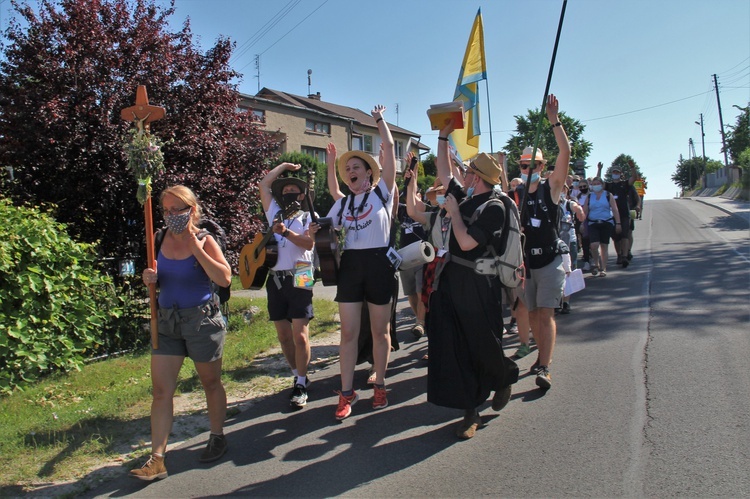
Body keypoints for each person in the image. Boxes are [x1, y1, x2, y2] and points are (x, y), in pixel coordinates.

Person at [131, 185, 232, 481]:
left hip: (201, 322)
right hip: (167, 323)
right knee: (162, 392)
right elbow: (157, 276)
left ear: (192, 209)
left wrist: (196, 248)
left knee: (211, 383)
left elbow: (224, 279)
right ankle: (157, 459)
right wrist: (148, 277)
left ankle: (217, 435)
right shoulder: (158, 238)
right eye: (167, 210)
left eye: (178, 209)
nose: (172, 215)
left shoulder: (205, 239)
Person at [426, 119, 519, 440]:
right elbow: (442, 169)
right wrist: (441, 135)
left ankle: (504, 376)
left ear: (477, 178)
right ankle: (470, 410)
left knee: (481, 343)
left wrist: (453, 214)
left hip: (480, 284)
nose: (461, 174)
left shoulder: (495, 206)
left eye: (467, 171)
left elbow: (467, 243)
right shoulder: (463, 197)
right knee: (454, 346)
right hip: (451, 280)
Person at [316, 105, 397, 420]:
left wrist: (379, 120)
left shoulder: (382, 194)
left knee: (380, 331)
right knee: (348, 333)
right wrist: (316, 230)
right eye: (346, 167)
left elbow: (389, 149)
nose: (349, 170)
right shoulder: (342, 204)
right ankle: (346, 393)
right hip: (351, 266)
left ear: (368, 173)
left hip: (379, 264)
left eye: (355, 166)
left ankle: (380, 385)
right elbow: (325, 229)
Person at [513, 94, 571, 390]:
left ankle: (545, 366)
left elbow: (566, 152)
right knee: (533, 314)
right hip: (527, 264)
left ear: (542, 166)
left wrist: (553, 121)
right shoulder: (517, 195)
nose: (529, 170)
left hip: (549, 260)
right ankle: (539, 354)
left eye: (534, 165)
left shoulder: (552, 187)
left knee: (545, 313)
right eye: (524, 166)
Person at [258, 162, 317, 409]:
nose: (288, 193)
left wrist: (286, 233)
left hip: (302, 272)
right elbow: (264, 184)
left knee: (299, 335)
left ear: (302, 195)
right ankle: (297, 374)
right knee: (283, 335)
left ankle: (302, 383)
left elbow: (309, 244)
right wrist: (282, 166)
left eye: (293, 190)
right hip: (276, 276)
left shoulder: (308, 216)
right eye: (285, 190)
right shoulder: (273, 212)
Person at [396, 152, 428, 338]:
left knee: (420, 289)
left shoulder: (422, 208)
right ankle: (421, 321)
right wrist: (406, 177)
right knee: (411, 293)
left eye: (414, 193)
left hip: (421, 255)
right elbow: (398, 198)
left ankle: (420, 322)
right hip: (405, 255)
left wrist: (413, 171)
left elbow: (414, 199)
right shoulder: (402, 211)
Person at [597, 161, 637, 267]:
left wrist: (632, 167)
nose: (615, 174)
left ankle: (624, 256)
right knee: (616, 237)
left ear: (620, 174)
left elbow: (634, 178)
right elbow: (598, 182)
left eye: (617, 172)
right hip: (611, 215)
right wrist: (599, 170)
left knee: (625, 235)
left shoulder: (625, 184)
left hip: (624, 214)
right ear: (611, 173)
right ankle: (619, 254)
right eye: (614, 172)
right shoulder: (609, 186)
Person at [583, 176, 621, 277]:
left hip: (606, 222)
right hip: (593, 223)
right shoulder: (589, 196)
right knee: (594, 245)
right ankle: (596, 264)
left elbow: (614, 209)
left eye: (598, 184)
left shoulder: (608, 195)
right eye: (594, 184)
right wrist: (582, 223)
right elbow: (585, 210)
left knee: (604, 246)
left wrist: (618, 223)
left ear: (602, 185)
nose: (596, 186)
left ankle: (603, 268)